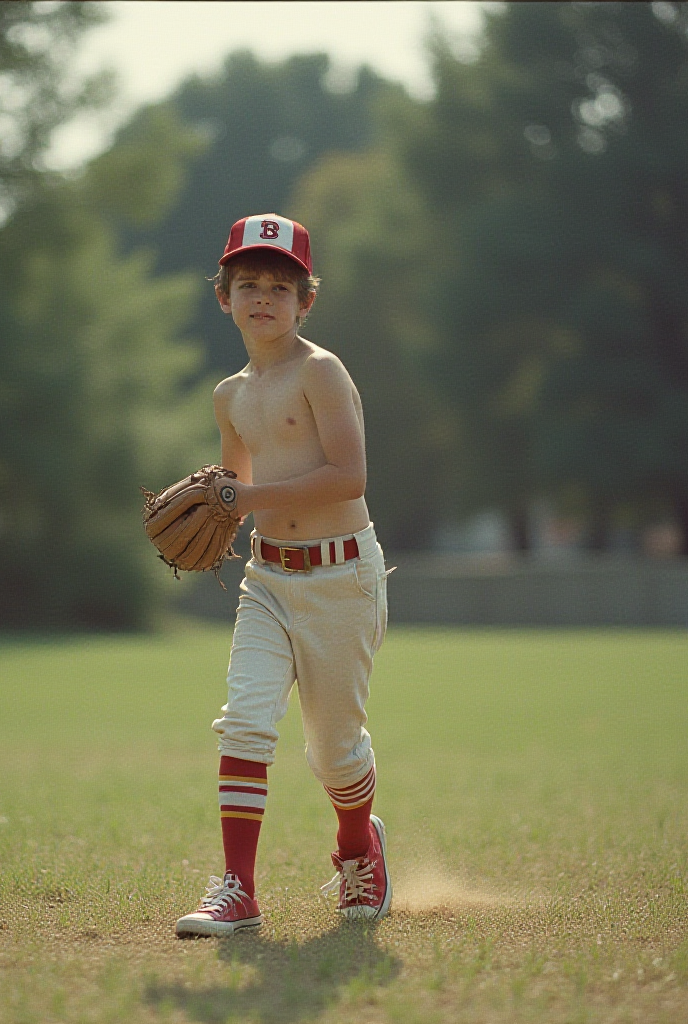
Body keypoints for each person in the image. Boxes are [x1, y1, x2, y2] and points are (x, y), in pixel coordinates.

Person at [175, 214, 393, 938]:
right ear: (223, 297)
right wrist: (208, 514)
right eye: (247, 284)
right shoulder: (228, 395)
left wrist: (245, 498)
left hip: (341, 582)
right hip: (267, 581)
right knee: (243, 719)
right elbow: (236, 489)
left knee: (335, 753)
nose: (262, 297)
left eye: (279, 285)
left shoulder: (321, 371)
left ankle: (360, 848)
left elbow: (348, 475)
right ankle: (238, 887)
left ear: (307, 301)